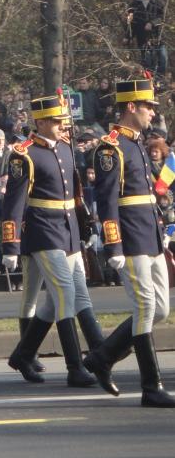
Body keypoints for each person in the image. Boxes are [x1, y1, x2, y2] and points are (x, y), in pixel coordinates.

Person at [84, 78, 175, 407]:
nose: (153, 112)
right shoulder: (111, 147)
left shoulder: (136, 143)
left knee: (161, 308)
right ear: (131, 106)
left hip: (148, 235)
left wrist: (160, 228)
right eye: (148, 106)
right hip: (130, 240)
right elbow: (107, 202)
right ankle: (151, 386)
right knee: (146, 307)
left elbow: (147, 195)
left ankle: (102, 356)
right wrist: (114, 247)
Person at [1, 94, 101, 388]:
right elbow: (13, 203)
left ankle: (23, 354)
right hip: (42, 230)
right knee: (65, 293)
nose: (62, 127)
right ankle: (75, 366)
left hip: (67, 229)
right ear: (40, 122)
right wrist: (10, 244)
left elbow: (75, 195)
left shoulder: (66, 148)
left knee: (71, 295)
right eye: (56, 122)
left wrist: (84, 228)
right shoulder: (24, 154)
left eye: (62, 122)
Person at [126, 0, 167, 76]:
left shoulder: (158, 3)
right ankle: (150, 80)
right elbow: (131, 23)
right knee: (148, 62)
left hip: (158, 37)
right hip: (143, 38)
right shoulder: (134, 5)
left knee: (163, 59)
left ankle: (160, 81)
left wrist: (152, 23)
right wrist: (128, 37)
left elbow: (162, 18)